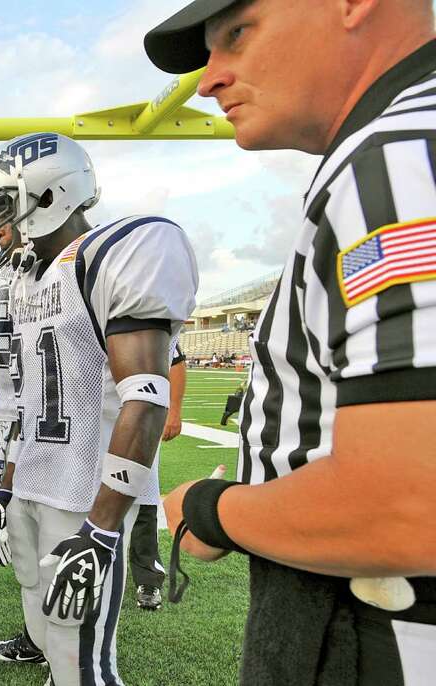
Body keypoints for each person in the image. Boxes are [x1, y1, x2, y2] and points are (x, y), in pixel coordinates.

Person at [146, 1, 436, 683]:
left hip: (382, 632)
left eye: (237, 35)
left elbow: (405, 503)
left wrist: (209, 511)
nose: (210, 79)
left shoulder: (395, 164)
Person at [0, 133, 198, 686]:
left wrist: (101, 528)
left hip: (82, 489)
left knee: (83, 660)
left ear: (50, 194)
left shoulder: (113, 254)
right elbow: (23, 398)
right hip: (33, 475)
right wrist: (5, 485)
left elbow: (145, 398)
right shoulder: (24, 280)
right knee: (37, 600)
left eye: (5, 207)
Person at [0, 211, 47, 665]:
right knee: (24, 548)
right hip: (13, 427)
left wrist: (9, 473)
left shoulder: (57, 279)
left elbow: (39, 386)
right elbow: (11, 372)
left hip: (44, 437)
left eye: (6, 217)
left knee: (54, 551)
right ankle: (38, 641)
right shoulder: (16, 280)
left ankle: (66, 656)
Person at [129, 343, 188, 611]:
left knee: (143, 495)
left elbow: (174, 359)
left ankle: (148, 579)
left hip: (140, 415)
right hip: (93, 415)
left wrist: (174, 411)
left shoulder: (144, 309)